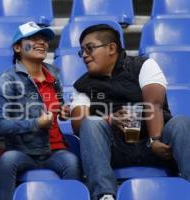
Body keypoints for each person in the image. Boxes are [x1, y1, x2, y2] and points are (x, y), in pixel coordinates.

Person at [71, 24, 190, 200]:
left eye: (89, 48)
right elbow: (77, 123)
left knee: (181, 123)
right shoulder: (82, 85)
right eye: (82, 51)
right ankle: (104, 195)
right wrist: (109, 119)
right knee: (91, 123)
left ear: (111, 48)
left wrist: (155, 140)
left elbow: (154, 104)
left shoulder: (143, 65)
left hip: (157, 146)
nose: (85, 55)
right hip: (115, 150)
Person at [0, 21, 81, 200]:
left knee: (72, 162)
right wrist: (36, 123)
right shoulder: (7, 79)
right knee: (7, 161)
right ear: (18, 47)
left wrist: (62, 111)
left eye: (44, 39)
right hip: (22, 152)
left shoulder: (54, 74)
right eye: (33, 39)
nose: (42, 42)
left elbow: (56, 104)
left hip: (55, 150)